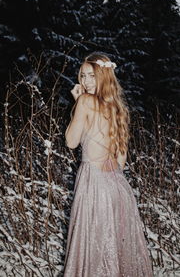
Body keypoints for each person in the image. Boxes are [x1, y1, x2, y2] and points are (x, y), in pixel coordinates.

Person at [63, 52, 153, 276]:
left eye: (92, 76)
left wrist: (77, 105)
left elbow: (71, 142)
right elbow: (120, 157)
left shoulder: (84, 101)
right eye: (82, 76)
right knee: (114, 249)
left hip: (94, 184)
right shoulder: (118, 109)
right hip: (118, 187)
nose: (85, 82)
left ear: (103, 76)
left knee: (95, 250)